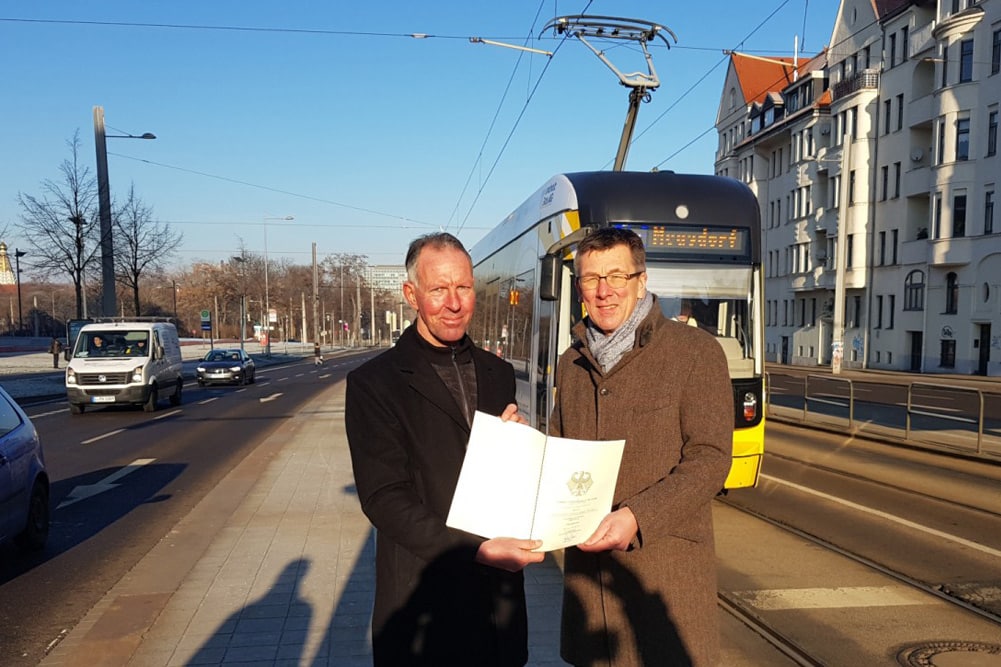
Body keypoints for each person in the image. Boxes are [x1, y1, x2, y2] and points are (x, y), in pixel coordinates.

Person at [345, 232, 544, 666]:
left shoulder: (498, 372)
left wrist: (517, 448)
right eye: (438, 289)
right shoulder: (375, 383)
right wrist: (473, 549)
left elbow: (498, 477)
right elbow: (383, 497)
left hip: (498, 606)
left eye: (464, 288)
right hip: (424, 603)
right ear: (411, 295)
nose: (454, 303)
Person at [550, 227, 733, 667]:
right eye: (591, 279)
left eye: (617, 276)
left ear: (642, 280)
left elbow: (710, 459)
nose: (604, 291)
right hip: (591, 592)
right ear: (579, 288)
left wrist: (637, 516)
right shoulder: (571, 364)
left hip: (663, 579)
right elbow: (559, 454)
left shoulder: (695, 353)